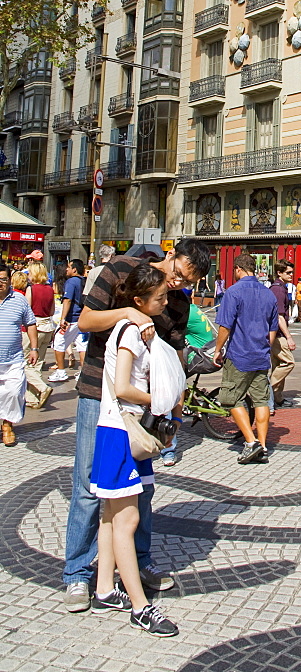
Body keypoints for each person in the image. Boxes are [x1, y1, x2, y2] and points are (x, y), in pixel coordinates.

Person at [61, 238, 210, 613]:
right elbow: (86, 320)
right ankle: (78, 573)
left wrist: (175, 406)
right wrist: (129, 314)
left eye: (186, 282)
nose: (176, 285)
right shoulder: (121, 269)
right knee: (88, 485)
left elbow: (174, 349)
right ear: (171, 255)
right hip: (99, 392)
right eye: (177, 274)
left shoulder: (177, 300)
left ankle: (139, 562)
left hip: (143, 407)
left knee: (141, 488)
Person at [90, 263, 179, 636]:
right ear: (139, 300)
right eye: (160, 298)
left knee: (112, 516)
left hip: (120, 430)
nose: (165, 302)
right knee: (128, 520)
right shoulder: (130, 332)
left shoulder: (139, 328)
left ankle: (104, 590)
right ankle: (140, 607)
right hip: (120, 430)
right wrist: (160, 399)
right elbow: (123, 387)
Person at [213, 254, 278, 463]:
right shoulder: (269, 295)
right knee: (261, 400)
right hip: (261, 355)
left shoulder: (233, 292)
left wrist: (217, 349)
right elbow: (273, 329)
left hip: (239, 354)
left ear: (239, 269)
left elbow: (225, 325)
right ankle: (264, 445)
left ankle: (251, 442)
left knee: (231, 398)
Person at [0, 262, 39, 446]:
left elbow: (30, 323)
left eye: (3, 279)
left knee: (15, 392)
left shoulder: (19, 299)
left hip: (13, 358)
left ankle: (8, 425)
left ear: (10, 280)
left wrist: (34, 348)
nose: (0, 283)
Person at [24, 260, 55, 409]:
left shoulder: (32, 289)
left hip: (34, 327)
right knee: (37, 363)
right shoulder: (50, 289)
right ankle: (33, 399)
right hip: (47, 326)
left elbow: (26, 310)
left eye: (29, 272)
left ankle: (42, 388)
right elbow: (52, 311)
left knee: (24, 363)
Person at [49, 259, 87, 382]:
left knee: (58, 342)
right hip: (83, 318)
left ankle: (60, 371)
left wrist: (63, 318)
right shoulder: (85, 281)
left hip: (71, 318)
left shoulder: (71, 282)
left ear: (74, 269)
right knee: (82, 346)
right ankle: (83, 372)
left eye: (69, 267)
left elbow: (67, 300)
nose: (66, 269)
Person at [268, 259, 297, 407]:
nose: (291, 275)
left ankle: (277, 398)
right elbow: (279, 316)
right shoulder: (278, 289)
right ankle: (267, 389)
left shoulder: (279, 287)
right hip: (278, 334)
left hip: (275, 333)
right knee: (288, 362)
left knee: (278, 363)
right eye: (288, 272)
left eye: (292, 272)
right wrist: (289, 337)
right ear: (279, 273)